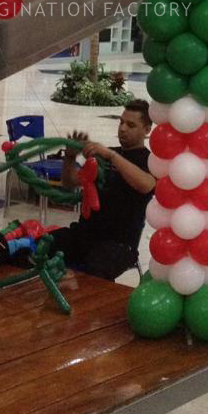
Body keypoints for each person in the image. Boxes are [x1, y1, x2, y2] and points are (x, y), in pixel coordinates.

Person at [51, 99, 154, 279]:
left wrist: (111, 155)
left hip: (118, 245)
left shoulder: (149, 161)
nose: (122, 128)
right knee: (40, 247)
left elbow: (145, 185)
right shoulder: (105, 155)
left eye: (131, 125)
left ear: (147, 130)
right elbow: (70, 182)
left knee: (95, 271)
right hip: (84, 235)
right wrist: (69, 157)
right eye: (121, 122)